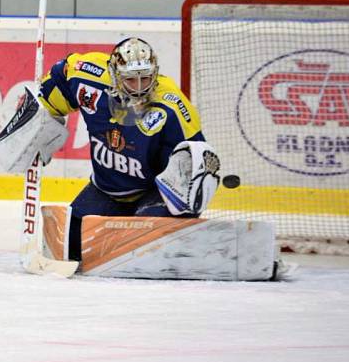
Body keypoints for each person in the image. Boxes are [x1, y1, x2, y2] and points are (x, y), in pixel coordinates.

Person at [15, 38, 217, 262]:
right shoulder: (87, 77)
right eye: (131, 80)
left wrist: (186, 201)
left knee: (144, 240)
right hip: (106, 189)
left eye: (146, 79)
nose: (140, 88)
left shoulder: (173, 107)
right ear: (115, 75)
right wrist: (38, 111)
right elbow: (60, 78)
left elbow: (196, 159)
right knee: (68, 243)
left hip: (153, 193)